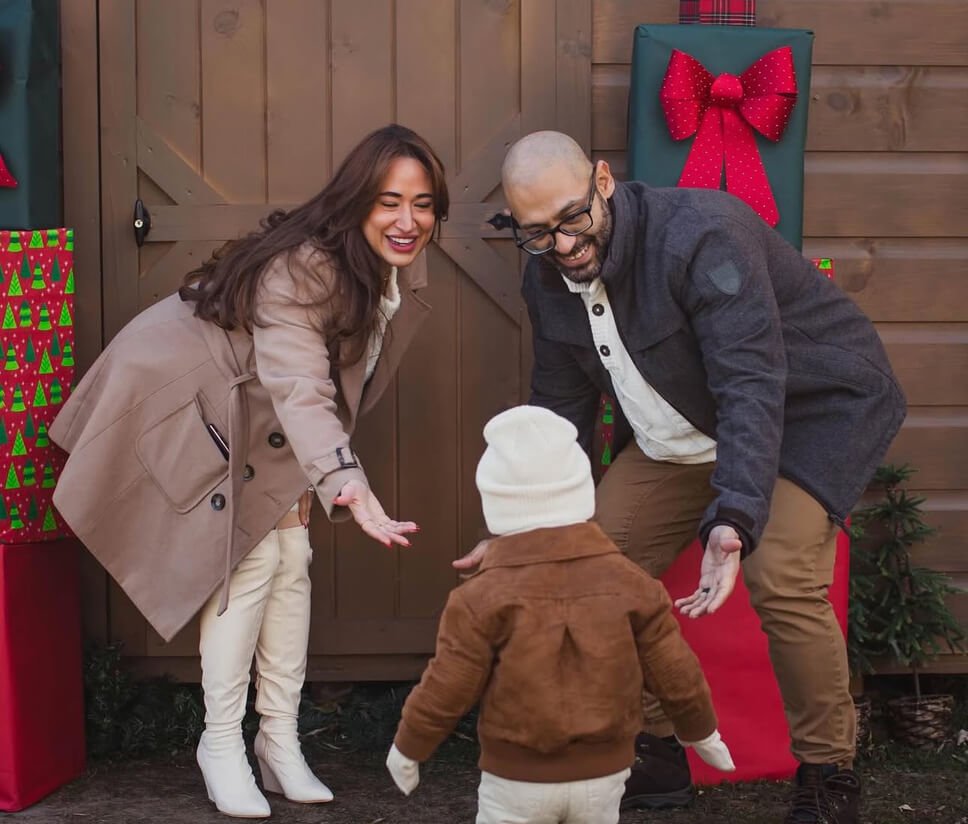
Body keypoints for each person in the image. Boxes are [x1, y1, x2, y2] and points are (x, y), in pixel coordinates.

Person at [455, 131, 906, 824]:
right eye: (538, 233)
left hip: (807, 411)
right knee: (580, 572)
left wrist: (734, 518)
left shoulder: (702, 236)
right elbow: (559, 408)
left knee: (780, 574)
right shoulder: (546, 274)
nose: (564, 246)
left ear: (603, 182)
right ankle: (656, 752)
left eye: (573, 219)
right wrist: (523, 531)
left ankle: (828, 774)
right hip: (684, 432)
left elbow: (752, 383)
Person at [50, 124, 449, 818]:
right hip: (181, 401)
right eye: (389, 201)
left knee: (291, 553)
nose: (408, 220)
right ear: (356, 201)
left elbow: (314, 386)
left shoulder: (395, 264)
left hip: (257, 417)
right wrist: (345, 480)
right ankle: (220, 742)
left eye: (423, 202)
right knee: (252, 559)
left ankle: (278, 739)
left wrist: (324, 474)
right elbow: (302, 383)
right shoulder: (306, 267)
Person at [386, 405, 735, 824]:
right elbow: (675, 671)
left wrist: (409, 748)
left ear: (496, 501)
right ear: (580, 492)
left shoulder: (480, 596)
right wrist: (702, 732)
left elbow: (447, 685)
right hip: (605, 774)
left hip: (516, 778)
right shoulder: (632, 582)